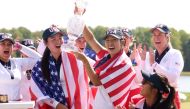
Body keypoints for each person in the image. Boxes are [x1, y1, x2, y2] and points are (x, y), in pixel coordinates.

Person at [74, 26, 136, 109]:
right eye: (107, 40)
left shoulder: (123, 63)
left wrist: (84, 60)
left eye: (114, 40)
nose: (110, 43)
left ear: (122, 42)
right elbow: (91, 39)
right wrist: (81, 21)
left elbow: (96, 81)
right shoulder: (110, 56)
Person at [30, 25, 89, 109]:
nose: (58, 42)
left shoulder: (73, 59)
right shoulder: (40, 64)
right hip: (51, 105)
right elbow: (37, 88)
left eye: (60, 38)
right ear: (46, 43)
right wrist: (56, 105)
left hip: (74, 104)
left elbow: (82, 85)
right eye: (53, 39)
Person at [140, 24, 184, 109]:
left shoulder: (175, 54)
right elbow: (140, 79)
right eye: (154, 35)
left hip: (170, 98)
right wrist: (141, 61)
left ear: (167, 37)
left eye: (160, 35)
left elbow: (173, 78)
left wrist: (154, 64)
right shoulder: (150, 54)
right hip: (151, 98)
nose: (156, 37)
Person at [0, 33, 41, 101]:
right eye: (3, 44)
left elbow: (40, 59)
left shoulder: (17, 62)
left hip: (18, 105)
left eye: (9, 44)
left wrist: (21, 47)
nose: (6, 47)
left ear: (13, 47)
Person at [121, 28, 143, 109]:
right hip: (120, 92)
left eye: (126, 37)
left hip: (134, 92)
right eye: (122, 37)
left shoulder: (136, 54)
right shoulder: (114, 56)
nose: (124, 39)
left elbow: (138, 80)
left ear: (131, 39)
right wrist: (129, 59)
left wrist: (133, 59)